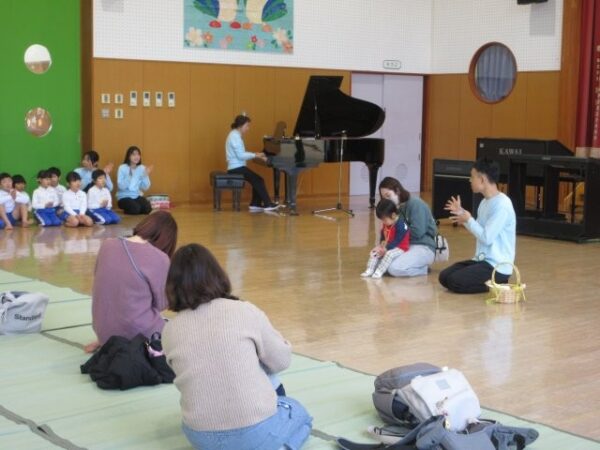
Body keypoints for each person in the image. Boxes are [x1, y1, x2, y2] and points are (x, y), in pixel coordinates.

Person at [162, 244, 312, 450]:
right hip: (254, 432)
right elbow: (281, 361)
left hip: (200, 437)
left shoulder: (169, 330)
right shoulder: (244, 311)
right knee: (300, 414)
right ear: (217, 274)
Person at [84, 211, 178, 353]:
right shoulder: (159, 258)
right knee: (182, 331)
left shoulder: (107, 245)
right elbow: (162, 304)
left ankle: (110, 342)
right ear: (167, 239)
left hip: (103, 332)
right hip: (139, 335)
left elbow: (103, 284)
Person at [439, 158, 516, 294]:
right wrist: (462, 215)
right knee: (444, 277)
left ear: (482, 179)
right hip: (482, 260)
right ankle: (489, 282)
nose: (470, 180)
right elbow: (479, 231)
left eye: (472, 177)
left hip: (497, 267)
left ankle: (498, 283)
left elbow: (486, 238)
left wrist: (469, 220)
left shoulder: (502, 205)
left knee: (455, 281)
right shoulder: (484, 203)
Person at [378, 177, 437, 277]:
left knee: (394, 269)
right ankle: (412, 265)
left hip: (423, 246)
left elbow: (417, 232)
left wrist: (394, 240)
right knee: (380, 264)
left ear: (397, 191)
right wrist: (383, 245)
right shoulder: (394, 208)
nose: (386, 200)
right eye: (383, 198)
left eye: (388, 195)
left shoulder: (416, 204)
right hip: (404, 245)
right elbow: (387, 230)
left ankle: (423, 269)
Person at [226, 114, 279, 212]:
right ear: (240, 125)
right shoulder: (235, 137)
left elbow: (241, 154)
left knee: (257, 180)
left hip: (237, 167)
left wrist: (256, 154)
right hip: (236, 168)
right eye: (247, 126)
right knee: (258, 180)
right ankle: (267, 204)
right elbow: (241, 155)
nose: (248, 128)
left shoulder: (235, 134)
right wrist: (256, 155)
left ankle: (255, 204)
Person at [361, 199, 410, 279]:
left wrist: (385, 248)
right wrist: (381, 244)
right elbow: (383, 233)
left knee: (389, 254)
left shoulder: (401, 225)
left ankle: (379, 271)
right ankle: (369, 270)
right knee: (375, 252)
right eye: (382, 220)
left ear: (393, 215)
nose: (383, 222)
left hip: (400, 247)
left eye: (384, 219)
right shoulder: (387, 223)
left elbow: (397, 241)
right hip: (389, 245)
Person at [116, 146, 153, 215]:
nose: (136, 157)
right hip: (124, 197)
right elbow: (121, 186)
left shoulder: (142, 168)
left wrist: (145, 176)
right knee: (135, 209)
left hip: (136, 196)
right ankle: (133, 208)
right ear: (128, 156)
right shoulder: (122, 167)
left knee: (148, 209)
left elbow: (145, 187)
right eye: (133, 154)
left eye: (138, 154)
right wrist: (129, 176)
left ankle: (137, 208)